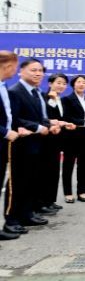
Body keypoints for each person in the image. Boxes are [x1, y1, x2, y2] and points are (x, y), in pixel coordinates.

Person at [6, 59, 60, 231]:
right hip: (21, 144)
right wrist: (38, 127)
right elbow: (14, 119)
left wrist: (50, 125)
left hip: (37, 144)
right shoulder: (15, 91)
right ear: (21, 71)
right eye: (33, 70)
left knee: (32, 180)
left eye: (40, 70)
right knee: (18, 182)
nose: (38, 73)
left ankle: (27, 214)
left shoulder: (37, 92)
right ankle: (12, 219)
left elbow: (40, 117)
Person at [61, 75, 85, 203]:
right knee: (68, 165)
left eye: (84, 82)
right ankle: (68, 193)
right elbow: (67, 117)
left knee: (84, 165)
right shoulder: (66, 99)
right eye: (79, 82)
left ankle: (81, 191)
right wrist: (84, 122)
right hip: (71, 137)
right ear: (73, 84)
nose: (81, 84)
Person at [40, 73, 71, 211]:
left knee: (54, 171)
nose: (61, 86)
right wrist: (51, 99)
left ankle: (50, 200)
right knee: (45, 171)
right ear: (50, 84)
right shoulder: (44, 97)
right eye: (58, 82)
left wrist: (66, 124)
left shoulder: (61, 100)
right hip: (46, 139)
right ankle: (41, 203)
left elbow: (61, 118)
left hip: (58, 140)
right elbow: (45, 116)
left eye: (64, 84)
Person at [0, 51, 22, 240]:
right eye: (15, 67)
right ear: (7, 66)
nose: (15, 71)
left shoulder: (3, 86)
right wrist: (6, 132)